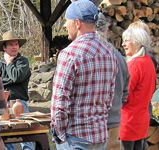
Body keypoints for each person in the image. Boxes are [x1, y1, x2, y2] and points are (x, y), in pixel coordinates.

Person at [50, 0, 118, 149]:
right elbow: (109, 99)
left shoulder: (70, 54)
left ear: (77, 23)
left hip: (76, 137)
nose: (65, 26)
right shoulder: (109, 53)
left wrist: (60, 134)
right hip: (99, 136)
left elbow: (60, 101)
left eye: (67, 21)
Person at [0, 30, 33, 150]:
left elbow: (16, 77)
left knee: (26, 137)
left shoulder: (23, 62)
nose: (15, 47)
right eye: (11, 44)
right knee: (6, 138)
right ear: (4, 47)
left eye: (16, 44)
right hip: (3, 105)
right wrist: (10, 80)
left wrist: (10, 64)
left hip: (20, 103)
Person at [96, 12, 130, 150]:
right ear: (106, 30)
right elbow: (125, 92)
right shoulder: (118, 56)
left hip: (95, 127)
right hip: (114, 123)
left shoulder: (95, 54)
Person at [119, 28, 156, 150]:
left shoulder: (134, 65)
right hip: (141, 121)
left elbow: (124, 95)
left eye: (127, 41)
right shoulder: (148, 61)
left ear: (138, 42)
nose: (123, 44)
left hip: (128, 122)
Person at [127, 20, 158, 117]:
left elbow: (127, 91)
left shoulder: (139, 62)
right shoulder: (146, 59)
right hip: (141, 110)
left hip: (134, 111)